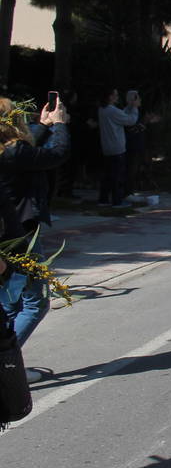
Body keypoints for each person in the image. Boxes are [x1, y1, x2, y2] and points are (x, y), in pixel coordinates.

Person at [0, 96, 70, 378]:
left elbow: (26, 154)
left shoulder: (11, 152)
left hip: (7, 234)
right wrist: (61, 125)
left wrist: (42, 126)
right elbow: (57, 154)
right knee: (35, 303)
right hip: (20, 235)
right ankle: (7, 366)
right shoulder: (13, 152)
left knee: (9, 303)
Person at [97, 89, 138, 208]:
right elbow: (130, 120)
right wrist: (134, 108)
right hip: (117, 147)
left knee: (107, 175)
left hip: (107, 146)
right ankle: (117, 200)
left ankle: (103, 199)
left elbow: (121, 115)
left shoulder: (102, 109)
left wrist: (129, 107)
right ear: (109, 97)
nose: (117, 96)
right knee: (117, 175)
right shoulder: (111, 110)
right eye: (115, 94)